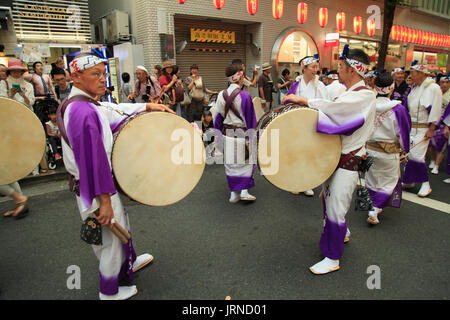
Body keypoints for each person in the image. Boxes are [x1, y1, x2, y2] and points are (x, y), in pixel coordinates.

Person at [58, 53, 175, 300]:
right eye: (95, 75)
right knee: (109, 240)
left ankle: (128, 264)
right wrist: (105, 202)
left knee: (121, 227)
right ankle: (109, 291)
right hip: (95, 188)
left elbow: (115, 110)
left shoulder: (88, 103)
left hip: (99, 185)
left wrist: (148, 106)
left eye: (103, 74)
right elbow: (93, 163)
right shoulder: (81, 111)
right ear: (76, 77)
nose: (103, 80)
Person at [283, 45, 376, 275]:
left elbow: (335, 110)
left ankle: (332, 257)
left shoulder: (363, 96)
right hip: (337, 157)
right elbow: (334, 110)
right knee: (328, 198)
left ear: (353, 70)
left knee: (335, 208)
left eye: (342, 66)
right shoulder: (351, 93)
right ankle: (342, 233)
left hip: (349, 159)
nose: (338, 70)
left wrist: (304, 101)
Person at [365, 72, 411, 225]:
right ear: (391, 88)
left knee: (372, 180)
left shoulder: (368, 106)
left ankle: (373, 204)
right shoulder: (398, 110)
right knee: (389, 182)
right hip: (389, 153)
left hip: (369, 149)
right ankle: (375, 208)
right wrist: (405, 150)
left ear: (376, 87)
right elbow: (403, 133)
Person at [285, 54, 329, 197]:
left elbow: (326, 104)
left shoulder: (320, 85)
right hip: (298, 123)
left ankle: (308, 183)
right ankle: (296, 182)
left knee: (310, 154)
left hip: (314, 122)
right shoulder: (296, 85)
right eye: (313, 67)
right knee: (297, 153)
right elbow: (287, 101)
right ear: (304, 67)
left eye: (317, 67)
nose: (315, 70)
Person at [214, 63, 257, 203]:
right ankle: (244, 191)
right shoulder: (245, 96)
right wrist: (252, 140)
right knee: (246, 162)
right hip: (242, 134)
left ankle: (233, 194)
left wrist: (217, 138)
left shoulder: (220, 95)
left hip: (227, 134)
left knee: (231, 163)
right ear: (240, 78)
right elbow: (251, 120)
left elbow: (218, 118)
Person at [402, 60, 442, 197]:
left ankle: (426, 184)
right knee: (409, 154)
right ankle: (409, 180)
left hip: (424, 127)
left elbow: (436, 108)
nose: (410, 75)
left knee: (417, 156)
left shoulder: (433, 87)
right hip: (412, 127)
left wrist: (432, 128)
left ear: (420, 73)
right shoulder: (414, 88)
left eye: (412, 72)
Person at [428, 75, 449, 174]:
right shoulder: (436, 93)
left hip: (445, 123)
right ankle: (432, 161)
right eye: (443, 82)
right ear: (439, 84)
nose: (445, 84)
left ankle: (437, 165)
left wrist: (447, 126)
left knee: (442, 144)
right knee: (432, 143)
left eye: (447, 82)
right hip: (434, 121)